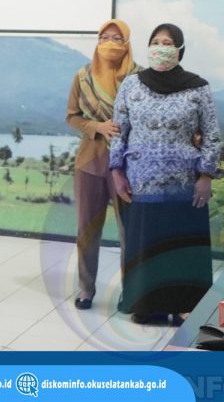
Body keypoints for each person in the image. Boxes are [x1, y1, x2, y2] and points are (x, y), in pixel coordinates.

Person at [110, 23, 219, 326]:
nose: (161, 48)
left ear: (179, 49)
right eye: (156, 42)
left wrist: (206, 175)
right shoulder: (131, 85)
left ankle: (186, 305)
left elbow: (212, 136)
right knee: (146, 245)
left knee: (183, 245)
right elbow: (119, 132)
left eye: (168, 43)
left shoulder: (198, 87)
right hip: (141, 182)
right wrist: (116, 171)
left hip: (184, 184)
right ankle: (146, 305)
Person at [66, 19, 141, 310]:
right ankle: (86, 289)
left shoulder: (140, 78)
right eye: (104, 37)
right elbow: (72, 116)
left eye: (117, 38)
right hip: (91, 162)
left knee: (129, 232)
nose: (110, 43)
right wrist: (97, 126)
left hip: (129, 166)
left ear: (127, 43)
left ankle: (131, 291)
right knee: (87, 231)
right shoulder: (83, 76)